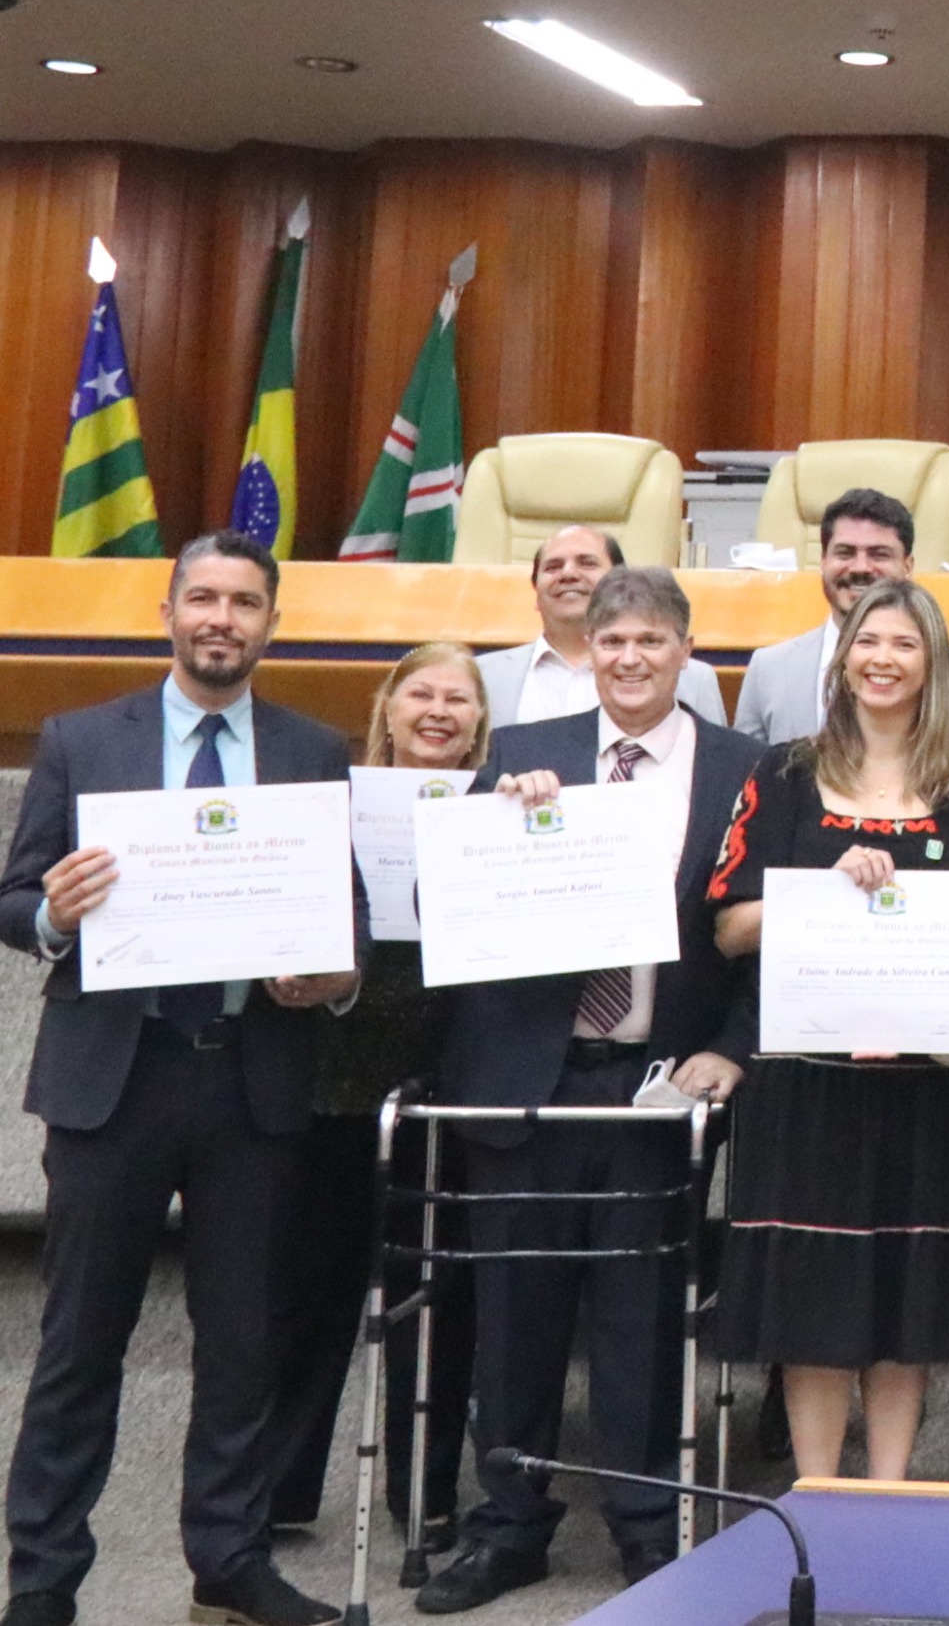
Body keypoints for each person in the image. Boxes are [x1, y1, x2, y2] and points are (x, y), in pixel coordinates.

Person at [2, 533, 356, 1626]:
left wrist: (334, 976)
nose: (221, 618)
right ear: (168, 612)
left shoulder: (313, 749)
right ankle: (42, 1576)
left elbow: (346, 918)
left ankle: (230, 1559)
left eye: (244, 602)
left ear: (271, 624)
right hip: (117, 1078)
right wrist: (54, 912)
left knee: (244, 1342)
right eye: (203, 597)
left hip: (252, 1077)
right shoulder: (81, 738)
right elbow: (13, 899)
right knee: (80, 1342)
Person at [419, 567, 764, 1614]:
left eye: (651, 640)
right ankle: (510, 1527)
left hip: (658, 1085)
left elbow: (763, 929)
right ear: (588, 648)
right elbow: (444, 905)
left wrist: (735, 1049)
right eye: (612, 640)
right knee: (515, 1318)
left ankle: (648, 1530)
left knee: (641, 1322)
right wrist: (502, 824)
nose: (629, 658)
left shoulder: (744, 765)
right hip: (526, 1079)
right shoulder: (526, 751)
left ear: (685, 651)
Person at [707, 580, 949, 1482]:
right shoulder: (783, 773)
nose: (883, 658)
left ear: (933, 664)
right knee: (812, 1297)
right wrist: (825, 890)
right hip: (806, 1083)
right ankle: (819, 1491)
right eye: (868, 641)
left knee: (906, 1298)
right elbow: (729, 927)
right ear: (842, 661)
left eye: (905, 644)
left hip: (928, 1087)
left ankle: (888, 1491)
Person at [261, 647, 486, 1555]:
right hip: (332, 1083)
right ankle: (278, 1492)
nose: (438, 711)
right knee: (308, 1298)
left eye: (458, 698)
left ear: (481, 721)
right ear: (387, 707)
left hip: (447, 1089)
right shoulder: (331, 804)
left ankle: (422, 1498)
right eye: (420, 693)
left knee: (438, 1306)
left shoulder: (502, 810)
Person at [732, 487, 937, 749]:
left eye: (879, 554)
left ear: (908, 566)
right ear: (822, 562)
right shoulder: (768, 669)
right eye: (845, 553)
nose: (861, 567)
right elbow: (748, 770)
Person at [476, 524, 729, 731]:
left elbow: (714, 762)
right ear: (535, 593)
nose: (568, 574)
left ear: (621, 582)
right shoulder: (486, 675)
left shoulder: (694, 678)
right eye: (553, 567)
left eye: (587, 563)